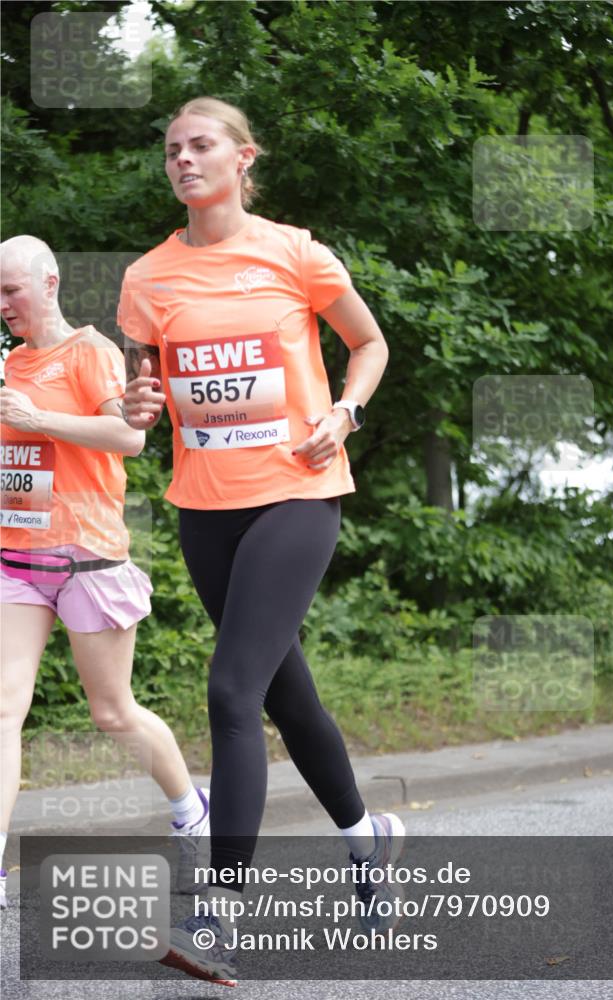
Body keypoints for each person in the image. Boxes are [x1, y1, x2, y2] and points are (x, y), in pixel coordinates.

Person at [119, 97, 404, 986]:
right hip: (204, 507)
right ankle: (369, 846)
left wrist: (345, 411)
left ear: (243, 159)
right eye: (171, 150)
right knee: (285, 695)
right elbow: (143, 392)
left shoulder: (293, 251)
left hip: (297, 492)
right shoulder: (147, 278)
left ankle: (222, 909)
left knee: (231, 687)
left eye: (200, 146)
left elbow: (368, 343)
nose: (182, 160)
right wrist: (136, 404)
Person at [0, 235, 211, 912]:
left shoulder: (89, 352)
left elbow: (128, 438)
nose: (4, 304)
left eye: (12, 290)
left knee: (112, 712)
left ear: (50, 283)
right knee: (4, 708)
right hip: (17, 559)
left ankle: (190, 813)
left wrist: (39, 418)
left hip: (88, 558)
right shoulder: (8, 366)